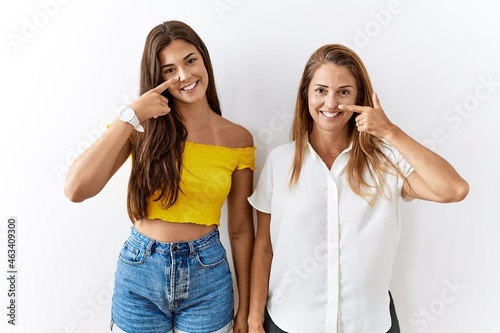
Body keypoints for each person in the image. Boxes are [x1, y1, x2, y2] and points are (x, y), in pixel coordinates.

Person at [246, 44, 469, 333]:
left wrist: (389, 131)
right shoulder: (280, 161)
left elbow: (454, 189)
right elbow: (264, 246)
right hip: (290, 322)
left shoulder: (386, 160)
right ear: (306, 95)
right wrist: (253, 320)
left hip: (369, 324)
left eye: (344, 92)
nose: (331, 103)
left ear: (359, 98)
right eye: (321, 90)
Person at [64, 20, 255, 333]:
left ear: (204, 59)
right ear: (157, 77)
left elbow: (241, 230)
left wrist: (246, 310)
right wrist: (132, 114)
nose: (184, 75)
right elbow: (76, 189)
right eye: (169, 69)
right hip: (140, 273)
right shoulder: (141, 128)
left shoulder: (237, 138)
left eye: (190, 60)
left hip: (208, 278)